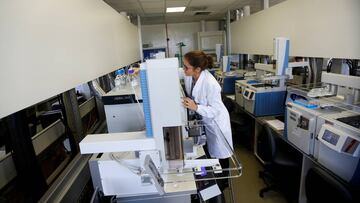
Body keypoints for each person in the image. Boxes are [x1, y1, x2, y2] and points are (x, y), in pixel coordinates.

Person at [179, 51, 233, 201]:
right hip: (208, 121)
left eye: (186, 67)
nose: (183, 69)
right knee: (211, 156)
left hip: (217, 124)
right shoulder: (192, 75)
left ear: (197, 69)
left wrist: (195, 107)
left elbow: (215, 110)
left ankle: (220, 191)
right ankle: (215, 188)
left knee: (220, 160)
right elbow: (177, 72)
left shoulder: (210, 83)